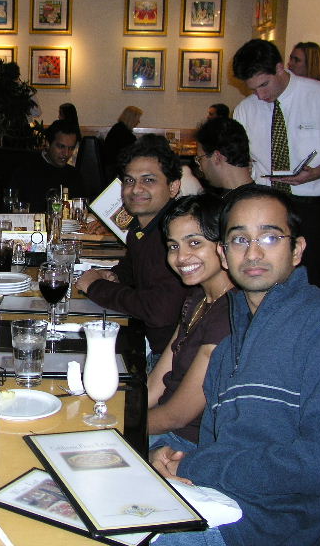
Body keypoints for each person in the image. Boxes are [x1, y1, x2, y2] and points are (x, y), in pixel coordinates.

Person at [150, 185, 320, 545]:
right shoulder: (230, 345)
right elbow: (218, 444)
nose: (253, 253)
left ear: (297, 250)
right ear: (224, 254)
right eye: (240, 240)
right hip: (216, 501)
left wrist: (196, 465)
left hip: (267, 528)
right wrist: (171, 458)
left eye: (270, 238)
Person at [231, 38, 320, 288]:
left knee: (310, 282)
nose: (261, 96)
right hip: (265, 205)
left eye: (264, 85)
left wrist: (316, 173)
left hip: (311, 208)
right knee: (266, 280)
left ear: (280, 68)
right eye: (253, 89)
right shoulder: (245, 110)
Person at [76, 135, 189, 369]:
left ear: (173, 186)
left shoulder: (174, 235)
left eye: (148, 180)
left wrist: (96, 287)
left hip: (173, 357)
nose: (136, 189)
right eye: (129, 180)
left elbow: (159, 310)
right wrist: (114, 275)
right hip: (151, 341)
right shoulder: (142, 228)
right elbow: (134, 265)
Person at [147, 194, 232, 449]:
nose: (181, 257)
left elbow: (177, 416)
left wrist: (115, 425)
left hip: (186, 443)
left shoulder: (230, 314)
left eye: (194, 243)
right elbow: (155, 384)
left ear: (224, 245)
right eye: (173, 246)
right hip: (161, 425)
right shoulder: (198, 297)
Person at [10, 119, 83, 213]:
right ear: (48, 144)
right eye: (61, 147)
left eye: (71, 148)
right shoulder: (25, 172)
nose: (66, 153)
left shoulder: (75, 175)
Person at [194, 117, 253, 194]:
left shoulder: (231, 200)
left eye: (200, 159)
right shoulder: (262, 195)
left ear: (216, 157)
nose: (200, 168)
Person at [102, 106, 142, 184]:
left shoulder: (119, 129)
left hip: (113, 168)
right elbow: (131, 153)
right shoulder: (123, 133)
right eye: (137, 118)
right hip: (116, 171)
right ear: (132, 119)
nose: (138, 121)